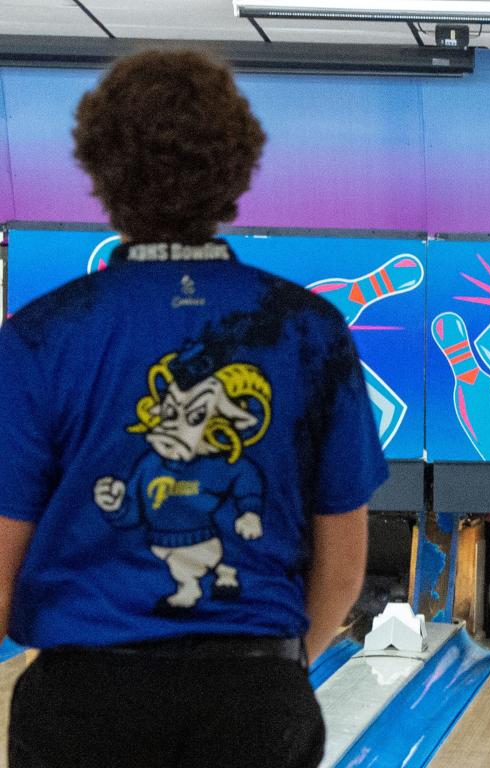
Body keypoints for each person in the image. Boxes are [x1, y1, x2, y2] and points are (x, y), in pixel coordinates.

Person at [0, 49, 387, 768]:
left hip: (84, 701)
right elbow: (342, 567)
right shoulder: (307, 330)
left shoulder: (38, 337)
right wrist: (268, 669)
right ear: (236, 169)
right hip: (253, 695)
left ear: (99, 167)